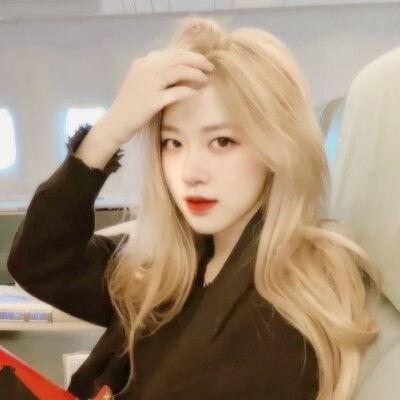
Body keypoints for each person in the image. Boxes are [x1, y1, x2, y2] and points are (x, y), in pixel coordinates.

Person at [7, 16, 381, 400]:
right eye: (173, 143)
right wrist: (111, 129)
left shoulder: (283, 308)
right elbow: (40, 262)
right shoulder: (182, 262)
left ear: (276, 149)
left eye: (222, 142)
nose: (190, 173)